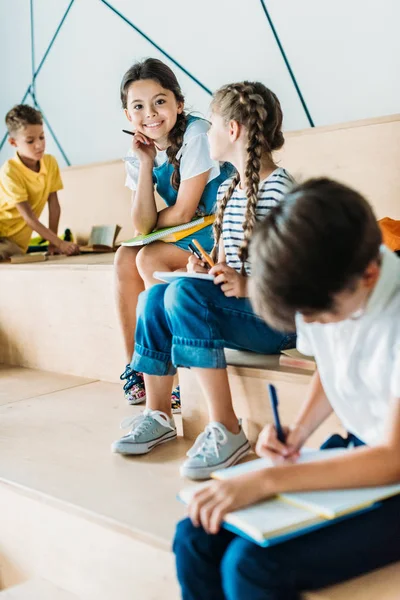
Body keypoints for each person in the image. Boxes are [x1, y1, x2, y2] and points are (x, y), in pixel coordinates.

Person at [174, 178, 400, 600]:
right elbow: (335, 368)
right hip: (362, 449)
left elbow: (392, 459)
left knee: (253, 568)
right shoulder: (324, 278)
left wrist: (268, 480)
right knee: (194, 536)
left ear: (370, 275)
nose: (310, 326)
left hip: (390, 464)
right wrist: (297, 431)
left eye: (318, 316)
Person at [112, 81, 295, 479]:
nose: (205, 131)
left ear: (231, 131)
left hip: (274, 320)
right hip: (244, 311)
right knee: (155, 296)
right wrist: (204, 271)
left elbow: (297, 276)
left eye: (211, 124)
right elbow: (230, 259)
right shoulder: (232, 187)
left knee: (181, 296)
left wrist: (246, 286)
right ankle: (157, 413)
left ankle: (228, 428)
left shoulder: (281, 191)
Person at [115, 58, 232, 411]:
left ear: (178, 104)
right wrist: (148, 162)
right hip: (190, 232)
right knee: (124, 256)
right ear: (127, 115)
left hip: (222, 230)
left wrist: (150, 226)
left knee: (149, 255)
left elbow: (181, 211)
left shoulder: (197, 133)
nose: (150, 113)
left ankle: (177, 374)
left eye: (159, 101)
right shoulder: (140, 153)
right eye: (138, 106)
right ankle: (139, 366)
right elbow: (142, 224)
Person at [0, 104, 79, 260]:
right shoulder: (10, 171)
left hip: (16, 244)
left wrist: (54, 243)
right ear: (13, 143)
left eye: (42, 137)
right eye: (30, 141)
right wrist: (61, 243)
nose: (39, 145)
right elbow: (29, 217)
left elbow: (54, 206)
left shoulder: (50, 163)